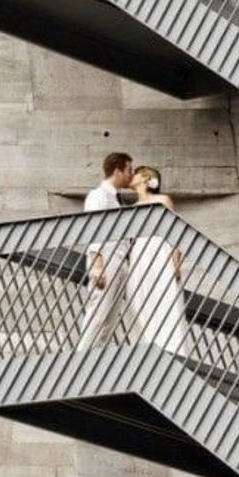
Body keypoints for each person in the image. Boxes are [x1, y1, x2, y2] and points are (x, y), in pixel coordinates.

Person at [126, 165, 188, 356]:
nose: (131, 176)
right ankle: (147, 351)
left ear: (145, 178)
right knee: (139, 299)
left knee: (165, 300)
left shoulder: (162, 200)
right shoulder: (132, 209)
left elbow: (176, 233)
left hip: (159, 252)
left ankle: (172, 351)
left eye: (135, 173)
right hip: (139, 255)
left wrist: (176, 263)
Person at [76, 152, 133, 352]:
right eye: (129, 170)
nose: (131, 175)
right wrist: (97, 265)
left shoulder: (116, 199)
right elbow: (94, 229)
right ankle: (80, 360)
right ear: (117, 171)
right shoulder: (99, 195)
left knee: (110, 318)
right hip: (106, 261)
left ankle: (94, 361)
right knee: (98, 314)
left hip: (118, 261)